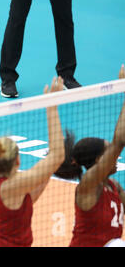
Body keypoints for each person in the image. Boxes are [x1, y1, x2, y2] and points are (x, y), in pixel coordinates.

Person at [0, 76, 65, 246]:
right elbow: (57, 156)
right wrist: (51, 107)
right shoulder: (13, 186)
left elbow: (28, 199)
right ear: (18, 160)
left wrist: (49, 169)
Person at [53, 65, 125, 247]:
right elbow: (119, 141)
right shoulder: (88, 186)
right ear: (97, 161)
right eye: (109, 154)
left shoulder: (114, 187)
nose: (115, 157)